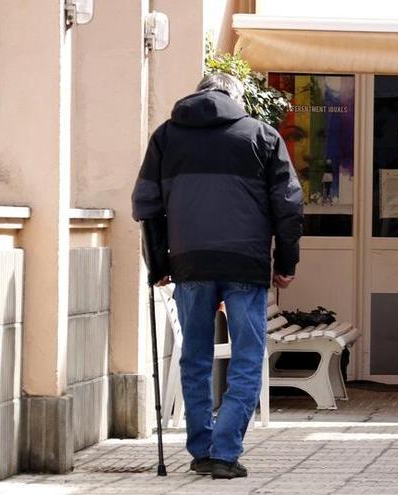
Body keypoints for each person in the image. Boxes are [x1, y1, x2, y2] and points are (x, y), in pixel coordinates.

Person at [131, 73, 303, 479]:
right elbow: (289, 205)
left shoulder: (167, 137)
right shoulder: (261, 136)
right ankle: (225, 453)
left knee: (194, 357)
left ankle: (202, 450)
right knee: (246, 357)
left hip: (191, 264)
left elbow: (147, 204)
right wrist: (286, 264)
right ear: (236, 97)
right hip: (246, 263)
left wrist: (158, 265)